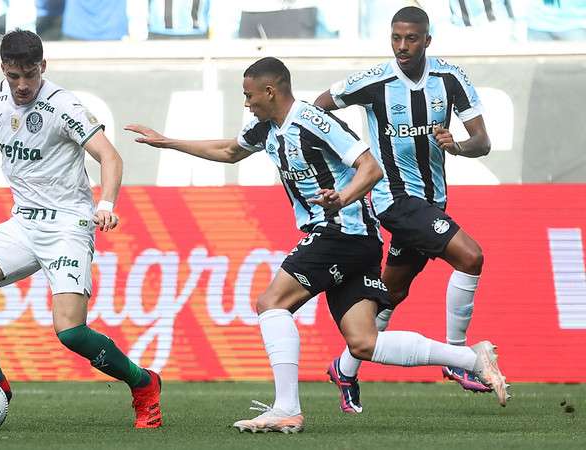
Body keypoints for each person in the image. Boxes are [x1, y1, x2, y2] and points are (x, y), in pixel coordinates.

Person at [127, 56, 508, 434]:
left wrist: (341, 199)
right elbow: (229, 152)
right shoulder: (266, 129)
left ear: (270, 91)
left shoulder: (312, 121)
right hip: (357, 240)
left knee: (271, 303)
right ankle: (471, 358)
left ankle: (286, 408)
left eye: (249, 95)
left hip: (340, 230)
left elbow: (371, 168)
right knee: (363, 342)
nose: (247, 103)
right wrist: (169, 143)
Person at [0, 29, 162, 429]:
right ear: (3, 68)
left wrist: (105, 204)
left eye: (30, 75)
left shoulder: (64, 106)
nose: (23, 85)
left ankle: (144, 384)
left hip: (68, 226)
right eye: (14, 76)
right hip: (23, 221)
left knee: (71, 333)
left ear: (43, 66)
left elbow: (109, 156)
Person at [314, 6, 496, 414]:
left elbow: (482, 141)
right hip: (392, 200)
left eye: (411, 39)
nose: (402, 46)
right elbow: (316, 110)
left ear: (427, 40)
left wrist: (458, 146)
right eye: (396, 38)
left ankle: (344, 368)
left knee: (391, 292)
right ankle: (456, 358)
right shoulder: (372, 81)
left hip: (431, 202)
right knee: (471, 256)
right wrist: (352, 160)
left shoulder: (450, 78)